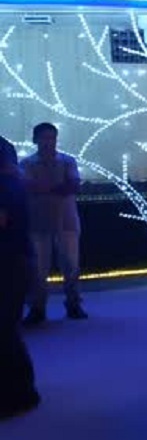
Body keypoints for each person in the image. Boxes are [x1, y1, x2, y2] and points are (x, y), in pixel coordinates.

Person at [21, 123, 87, 323]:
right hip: (38, 222)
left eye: (52, 138)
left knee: (71, 266)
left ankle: (73, 304)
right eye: (44, 138)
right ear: (35, 140)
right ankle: (37, 308)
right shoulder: (26, 164)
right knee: (38, 269)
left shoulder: (67, 161)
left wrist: (44, 188)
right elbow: (28, 186)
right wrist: (58, 187)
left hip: (66, 221)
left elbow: (73, 186)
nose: (49, 142)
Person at [0, 135, 41, 418]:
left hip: (10, 264)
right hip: (14, 261)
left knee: (4, 330)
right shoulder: (12, 183)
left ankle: (19, 395)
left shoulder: (6, 186)